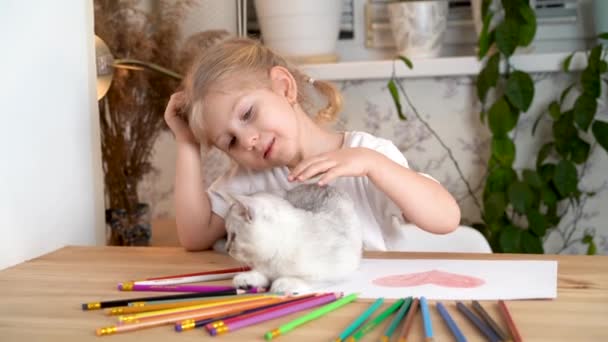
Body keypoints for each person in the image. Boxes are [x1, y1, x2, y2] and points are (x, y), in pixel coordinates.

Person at [164, 37, 460, 252]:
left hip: (371, 308)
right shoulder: (249, 180)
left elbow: (446, 218)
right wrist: (187, 143)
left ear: (284, 87)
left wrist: (374, 165)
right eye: (230, 141)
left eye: (247, 114)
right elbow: (194, 236)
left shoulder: (367, 155)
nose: (248, 141)